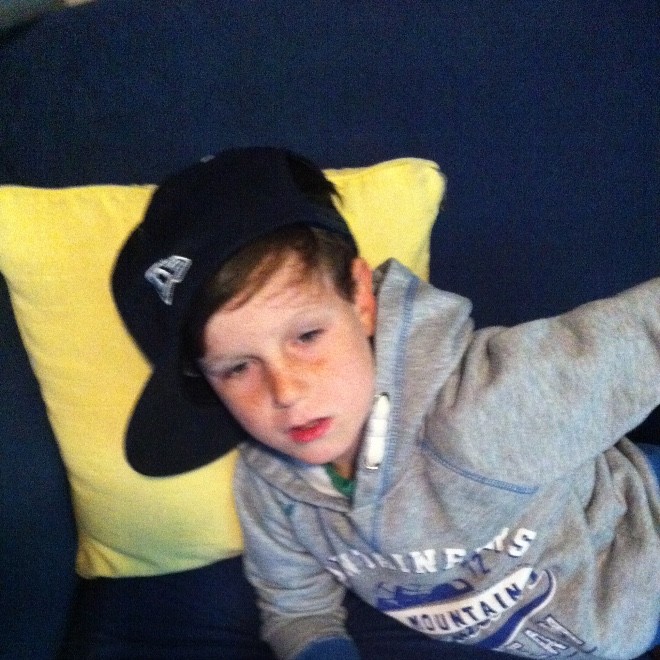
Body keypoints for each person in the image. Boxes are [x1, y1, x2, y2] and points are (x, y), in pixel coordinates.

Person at [112, 147, 660, 660]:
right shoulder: (269, 485)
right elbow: (298, 608)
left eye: (307, 336)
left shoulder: (486, 409)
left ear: (360, 297)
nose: (286, 392)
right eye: (237, 368)